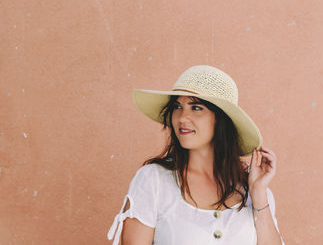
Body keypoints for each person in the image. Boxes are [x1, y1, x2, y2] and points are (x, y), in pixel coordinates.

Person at [107, 65, 284, 245]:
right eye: (177, 107)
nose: (182, 117)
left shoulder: (256, 191)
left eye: (196, 108)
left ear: (221, 119)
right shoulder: (154, 181)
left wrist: (258, 194)